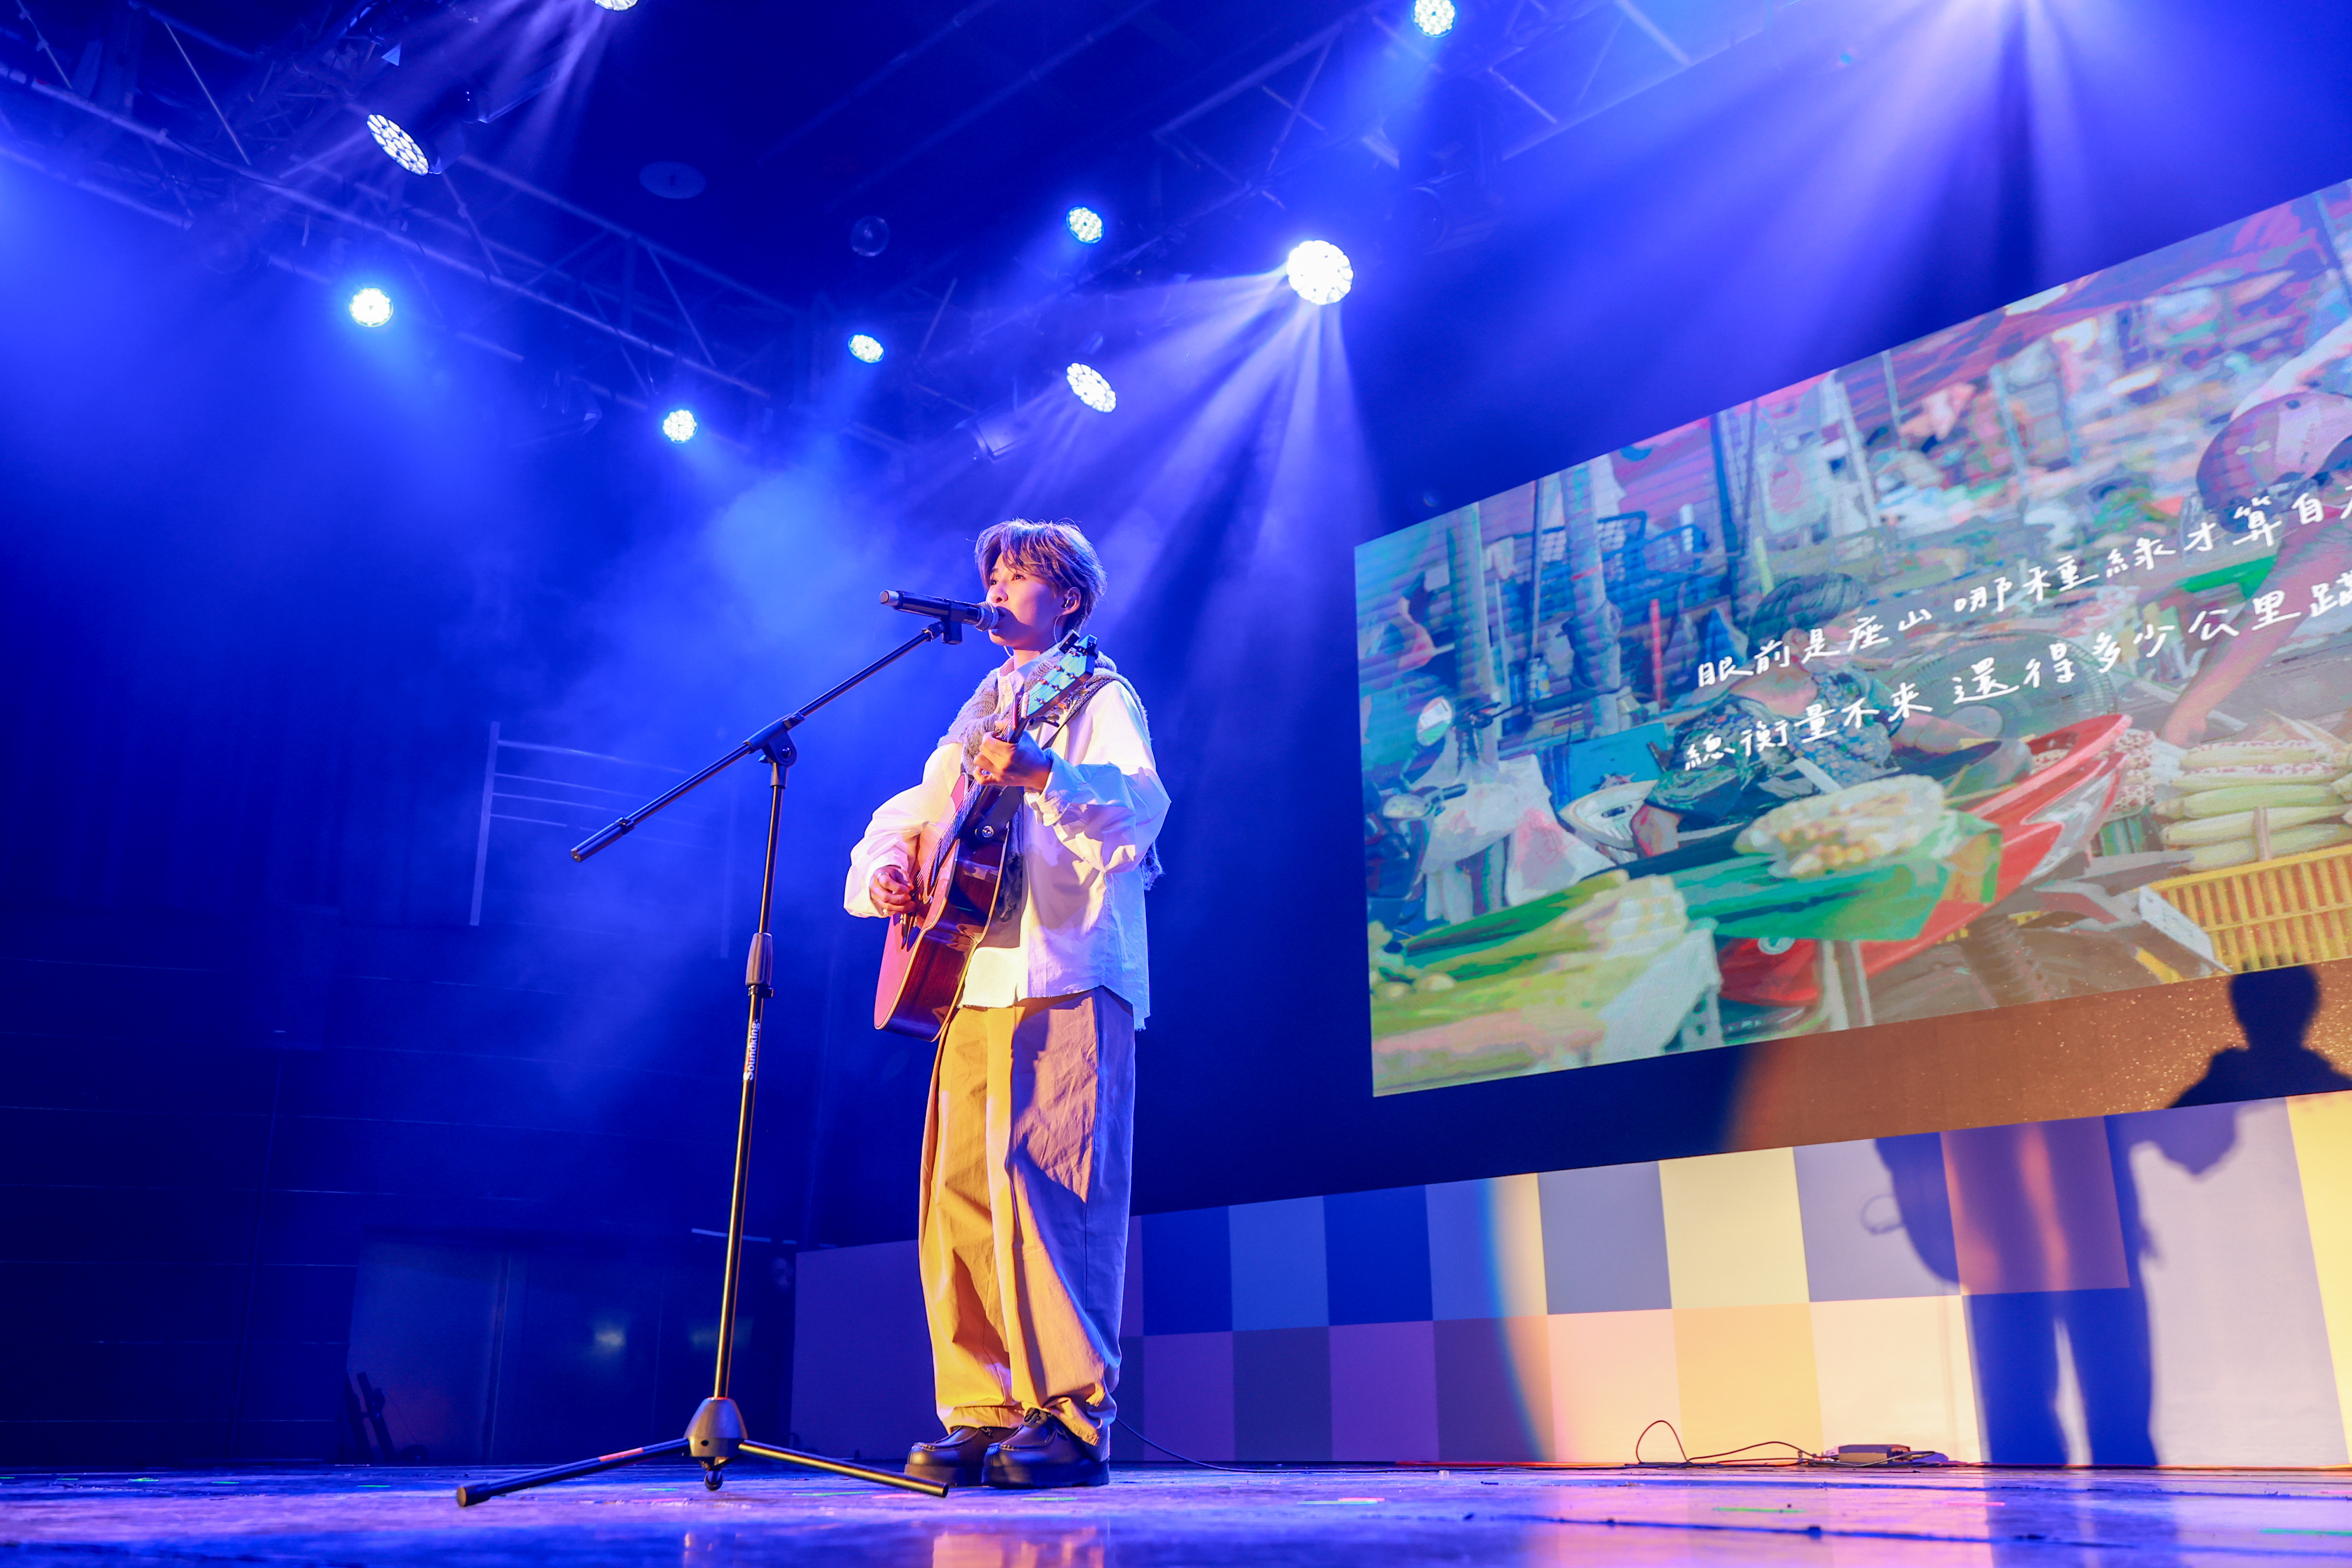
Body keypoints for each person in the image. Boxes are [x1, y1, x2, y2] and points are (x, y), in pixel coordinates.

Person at [844, 520, 1168, 1491]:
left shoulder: (1096, 693)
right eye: (991, 575)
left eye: (1017, 575)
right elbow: (912, 813)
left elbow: (1139, 807)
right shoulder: (978, 709)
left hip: (1064, 968)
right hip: (970, 976)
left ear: (1065, 598)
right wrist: (891, 868)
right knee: (962, 1199)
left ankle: (1068, 1415)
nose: (994, 590)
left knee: (1053, 1188)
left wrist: (1045, 774)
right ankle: (982, 1411)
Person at [1629, 573, 2021, 855]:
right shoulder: (1737, 727)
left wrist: (1988, 747)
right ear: (1799, 640)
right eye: (1847, 624)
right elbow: (1652, 823)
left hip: (1889, 823)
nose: (1859, 633)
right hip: (1827, 857)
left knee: (2007, 764)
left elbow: (1914, 727)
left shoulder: (1842, 683)